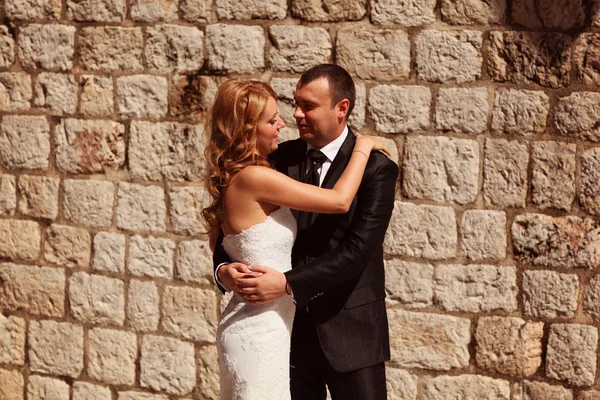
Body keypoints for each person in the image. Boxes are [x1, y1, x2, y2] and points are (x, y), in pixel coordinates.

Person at [213, 64, 399, 400]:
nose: (295, 115)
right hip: (286, 336)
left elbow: (356, 251)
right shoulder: (277, 158)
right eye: (295, 104)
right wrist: (222, 270)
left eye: (308, 106)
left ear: (341, 108)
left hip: (352, 336)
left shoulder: (376, 168)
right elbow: (234, 234)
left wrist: (287, 283)